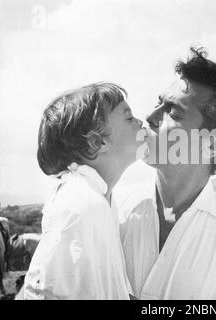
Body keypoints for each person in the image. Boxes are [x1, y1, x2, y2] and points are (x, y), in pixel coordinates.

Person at [113, 48, 216, 300]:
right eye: (159, 103)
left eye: (174, 113)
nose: (150, 117)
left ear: (213, 144)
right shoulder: (111, 207)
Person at [22, 82, 146, 299]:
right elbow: (42, 293)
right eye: (128, 117)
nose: (139, 121)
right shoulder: (79, 203)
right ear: (97, 141)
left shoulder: (100, 198)